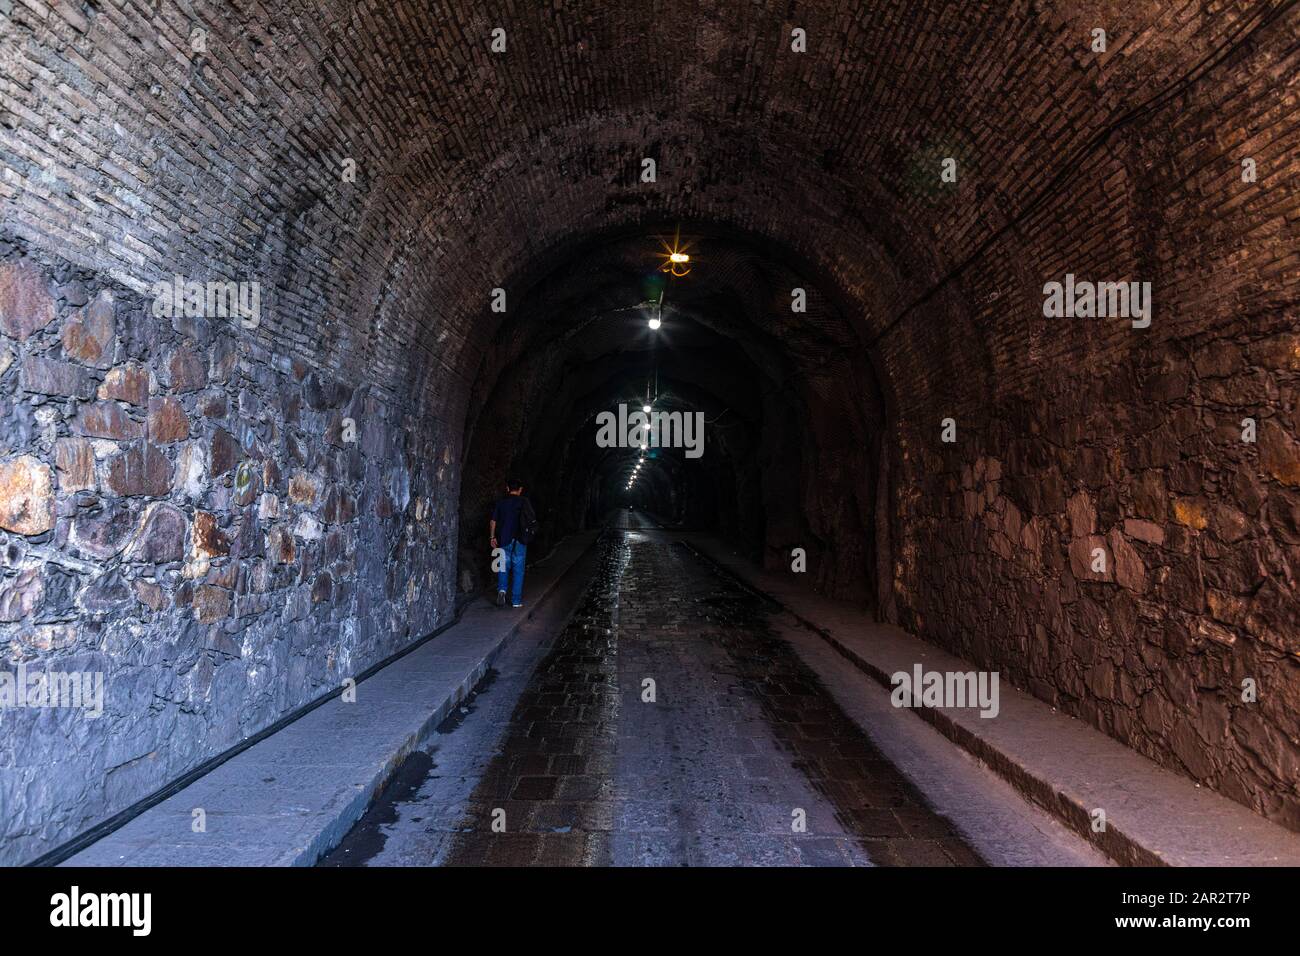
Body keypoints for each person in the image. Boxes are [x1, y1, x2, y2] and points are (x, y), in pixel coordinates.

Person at [489, 478, 535, 608]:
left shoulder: (501, 503)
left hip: (503, 540)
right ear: (520, 490)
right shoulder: (524, 502)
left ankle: (502, 590)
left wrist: (492, 537)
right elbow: (532, 519)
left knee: (501, 567)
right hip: (520, 540)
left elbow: (493, 521)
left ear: (507, 488)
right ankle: (516, 601)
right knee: (518, 571)